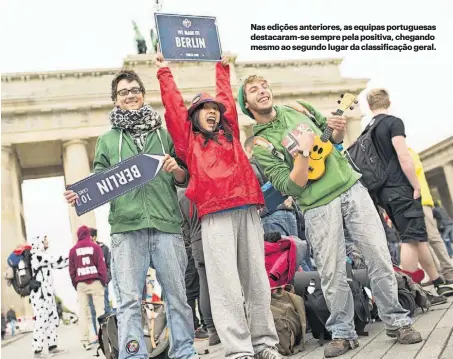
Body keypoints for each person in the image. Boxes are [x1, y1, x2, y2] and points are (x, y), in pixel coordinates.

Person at [238, 76, 422, 358]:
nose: (262, 91)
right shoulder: (262, 145)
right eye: (253, 90)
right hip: (316, 204)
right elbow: (290, 186)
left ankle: (397, 321)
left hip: (351, 188)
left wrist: (337, 130)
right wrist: (302, 155)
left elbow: (332, 140)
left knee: (379, 255)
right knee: (331, 270)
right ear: (247, 104)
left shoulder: (299, 108)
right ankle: (343, 332)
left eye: (264, 86)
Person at [63, 68, 197, 359]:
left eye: (135, 90)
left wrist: (177, 171)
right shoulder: (108, 141)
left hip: (166, 225)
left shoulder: (164, 135)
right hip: (126, 228)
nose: (131, 95)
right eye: (124, 92)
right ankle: (134, 355)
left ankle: (185, 352)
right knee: (128, 301)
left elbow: (185, 178)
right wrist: (79, 194)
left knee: (178, 297)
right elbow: (98, 182)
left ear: (142, 95)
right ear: (115, 100)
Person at [155, 53, 281, 359]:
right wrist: (163, 71)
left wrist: (223, 67)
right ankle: (239, 351)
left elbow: (226, 95)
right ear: (194, 116)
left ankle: (265, 345)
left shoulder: (232, 133)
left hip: (247, 209)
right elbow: (173, 107)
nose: (212, 112)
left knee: (257, 283)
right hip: (214, 216)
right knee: (225, 287)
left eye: (215, 109)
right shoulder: (187, 141)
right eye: (204, 110)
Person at [362, 89, 444, 289]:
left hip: (383, 192)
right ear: (388, 102)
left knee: (416, 236)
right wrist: (416, 185)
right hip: (400, 187)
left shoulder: (367, 130)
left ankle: (437, 280)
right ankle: (404, 290)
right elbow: (403, 155)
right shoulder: (393, 122)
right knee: (410, 239)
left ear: (370, 106)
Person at [178, 188, 220, 346]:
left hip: (196, 243)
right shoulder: (202, 185)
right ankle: (225, 326)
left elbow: (183, 225)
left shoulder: (180, 195)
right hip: (212, 236)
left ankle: (212, 330)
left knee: (205, 285)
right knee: (222, 283)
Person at [409, 148, 453, 284]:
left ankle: (449, 271)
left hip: (420, 200)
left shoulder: (408, 152)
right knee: (423, 242)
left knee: (433, 238)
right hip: (412, 202)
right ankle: (437, 275)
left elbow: (410, 172)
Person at [69, 225, 107, 350]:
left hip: (81, 283)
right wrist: (103, 281)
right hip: (95, 281)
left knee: (83, 312)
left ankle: (85, 341)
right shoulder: (95, 247)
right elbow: (101, 265)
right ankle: (104, 338)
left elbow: (72, 270)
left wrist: (76, 284)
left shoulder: (73, 250)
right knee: (100, 311)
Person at [30, 235, 68, 358]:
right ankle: (38, 351)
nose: (47, 242)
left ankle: (52, 346)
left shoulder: (43, 257)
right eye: (44, 240)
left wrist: (71, 260)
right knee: (41, 322)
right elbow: (56, 260)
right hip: (39, 296)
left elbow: (59, 264)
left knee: (52, 319)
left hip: (48, 296)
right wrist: (72, 255)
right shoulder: (37, 256)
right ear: (39, 242)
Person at [88, 227, 112, 338]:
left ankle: (111, 334)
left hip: (102, 284)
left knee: (106, 308)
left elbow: (109, 266)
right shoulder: (83, 250)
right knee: (93, 311)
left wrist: (106, 280)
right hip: (90, 285)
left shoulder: (104, 248)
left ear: (94, 237)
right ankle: (99, 336)